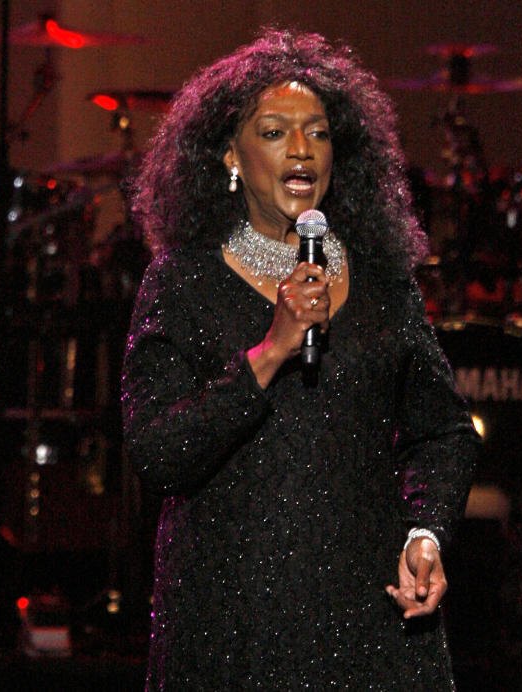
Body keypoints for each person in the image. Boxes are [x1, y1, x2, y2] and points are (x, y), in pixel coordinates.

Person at [123, 29, 479, 690]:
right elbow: (158, 450)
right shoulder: (182, 284)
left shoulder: (381, 283)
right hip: (234, 627)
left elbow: (445, 432)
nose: (300, 151)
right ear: (230, 154)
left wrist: (426, 534)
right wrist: (269, 352)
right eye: (274, 132)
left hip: (370, 628)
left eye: (318, 133)